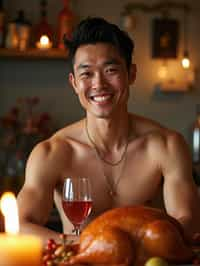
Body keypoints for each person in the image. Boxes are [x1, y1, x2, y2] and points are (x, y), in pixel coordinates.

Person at [17, 17, 200, 244]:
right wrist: (90, 246)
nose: (99, 84)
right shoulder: (52, 153)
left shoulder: (166, 145)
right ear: (74, 83)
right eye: (87, 74)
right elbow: (21, 226)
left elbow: (188, 221)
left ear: (131, 74)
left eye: (110, 70)